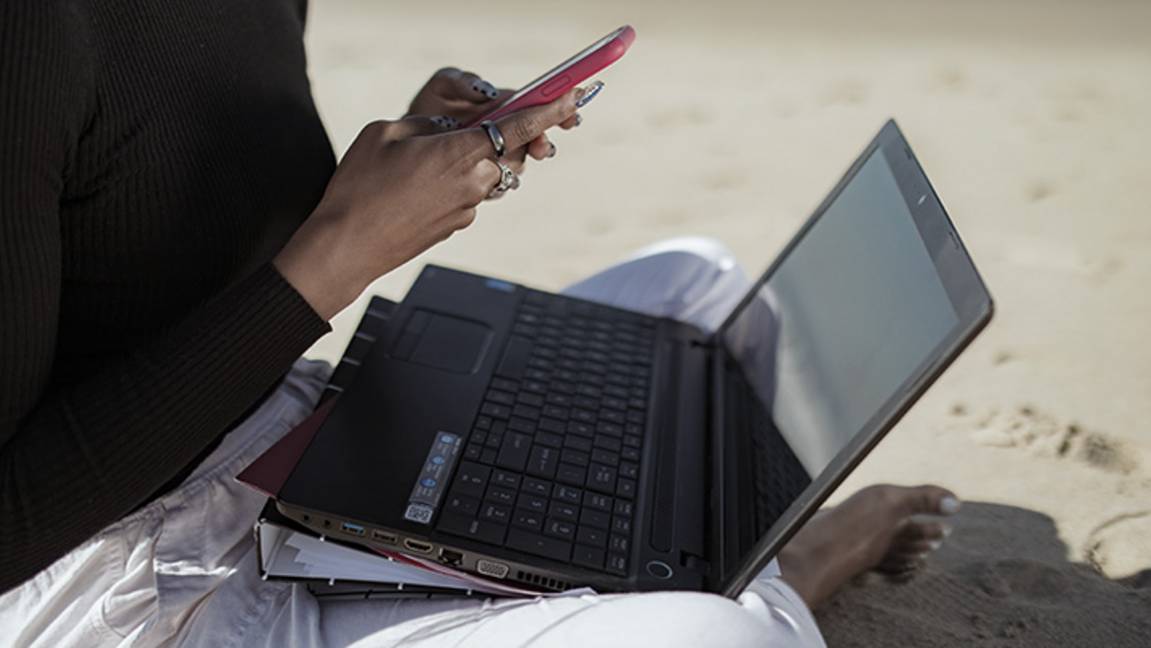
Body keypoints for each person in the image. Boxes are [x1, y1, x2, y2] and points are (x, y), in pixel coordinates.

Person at [0, 1, 958, 645]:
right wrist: (340, 254)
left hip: (275, 430)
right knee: (710, 636)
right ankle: (792, 571)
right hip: (116, 579)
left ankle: (700, 558)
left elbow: (152, 226)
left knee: (696, 282)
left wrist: (406, 159)